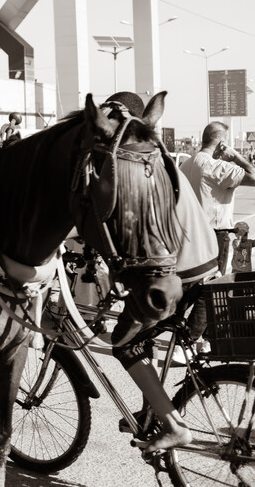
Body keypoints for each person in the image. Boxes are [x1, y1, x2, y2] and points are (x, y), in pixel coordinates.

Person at [97, 92, 219, 452]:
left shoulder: (137, 165)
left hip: (181, 274)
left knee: (125, 342)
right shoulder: (161, 159)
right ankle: (155, 409)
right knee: (145, 337)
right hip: (205, 265)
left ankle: (171, 423)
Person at [180, 122, 255, 275]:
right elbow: (253, 176)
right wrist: (236, 156)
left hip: (188, 235)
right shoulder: (215, 166)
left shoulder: (184, 165)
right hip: (214, 237)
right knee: (212, 287)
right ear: (222, 144)